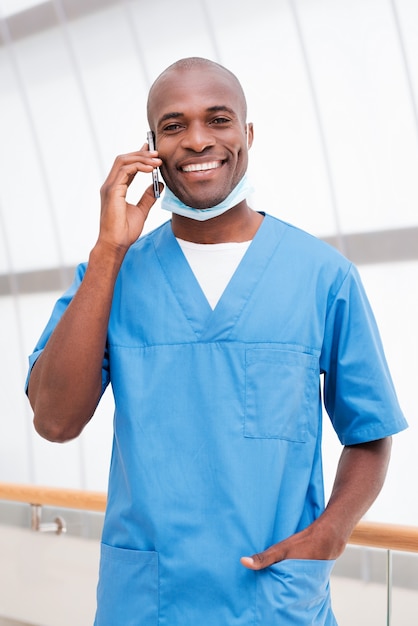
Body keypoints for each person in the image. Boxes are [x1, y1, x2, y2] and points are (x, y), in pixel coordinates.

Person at [26, 57, 407, 625]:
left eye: (219, 119)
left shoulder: (322, 277)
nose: (198, 140)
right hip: (147, 603)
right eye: (174, 125)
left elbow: (370, 431)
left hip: (274, 601)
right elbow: (55, 422)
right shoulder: (110, 278)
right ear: (150, 146)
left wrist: (330, 533)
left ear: (247, 134)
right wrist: (108, 250)